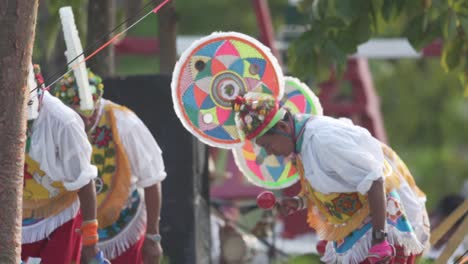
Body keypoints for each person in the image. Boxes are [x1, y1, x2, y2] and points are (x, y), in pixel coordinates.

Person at [231, 92, 430, 264]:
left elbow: (375, 180)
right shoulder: (303, 141)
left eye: (268, 145)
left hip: (382, 232)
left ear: (283, 127)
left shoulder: (322, 140)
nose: (270, 152)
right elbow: (337, 186)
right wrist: (298, 202)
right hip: (360, 233)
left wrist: (380, 239)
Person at [53, 69, 166, 264]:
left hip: (122, 230)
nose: (87, 121)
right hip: (74, 228)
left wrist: (152, 237)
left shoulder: (124, 123)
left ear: (98, 102)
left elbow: (152, 178)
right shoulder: (55, 123)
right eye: (79, 114)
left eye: (91, 112)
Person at [22, 64, 100, 264]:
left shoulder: (64, 122)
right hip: (16, 212)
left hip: (61, 214)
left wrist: (90, 240)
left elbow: (84, 179)